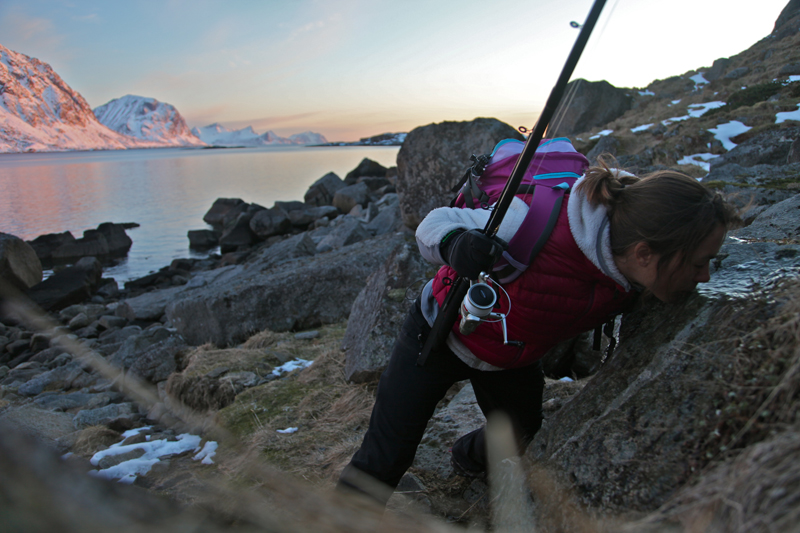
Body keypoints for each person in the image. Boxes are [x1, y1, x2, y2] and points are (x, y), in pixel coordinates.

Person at [338, 157, 740, 505]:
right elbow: (435, 222)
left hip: (512, 356)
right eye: (697, 263)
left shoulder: (635, 250)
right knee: (386, 455)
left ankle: (466, 458)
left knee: (519, 435)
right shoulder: (529, 221)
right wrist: (457, 243)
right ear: (644, 254)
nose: (705, 276)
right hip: (439, 334)